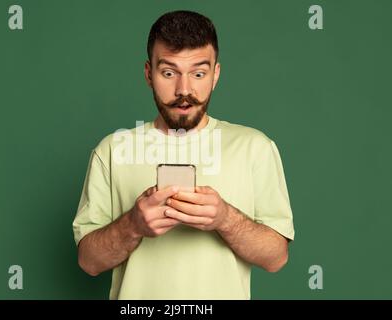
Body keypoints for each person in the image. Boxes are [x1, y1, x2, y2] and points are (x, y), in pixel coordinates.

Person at [72, 10, 295, 300]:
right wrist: (134, 225)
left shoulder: (255, 147)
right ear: (148, 74)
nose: (184, 90)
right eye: (168, 72)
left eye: (198, 73)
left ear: (215, 75)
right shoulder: (112, 151)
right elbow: (89, 262)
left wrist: (224, 218)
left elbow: (276, 258)